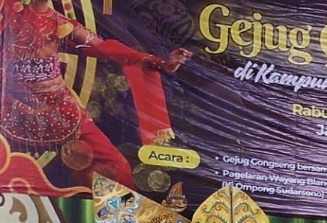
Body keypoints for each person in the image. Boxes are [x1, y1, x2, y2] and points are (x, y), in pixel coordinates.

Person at [0, 0, 190, 189]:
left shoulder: (61, 23)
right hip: (9, 106)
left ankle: (105, 215)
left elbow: (103, 47)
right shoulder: (8, 13)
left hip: (58, 109)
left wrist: (162, 64)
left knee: (116, 170)